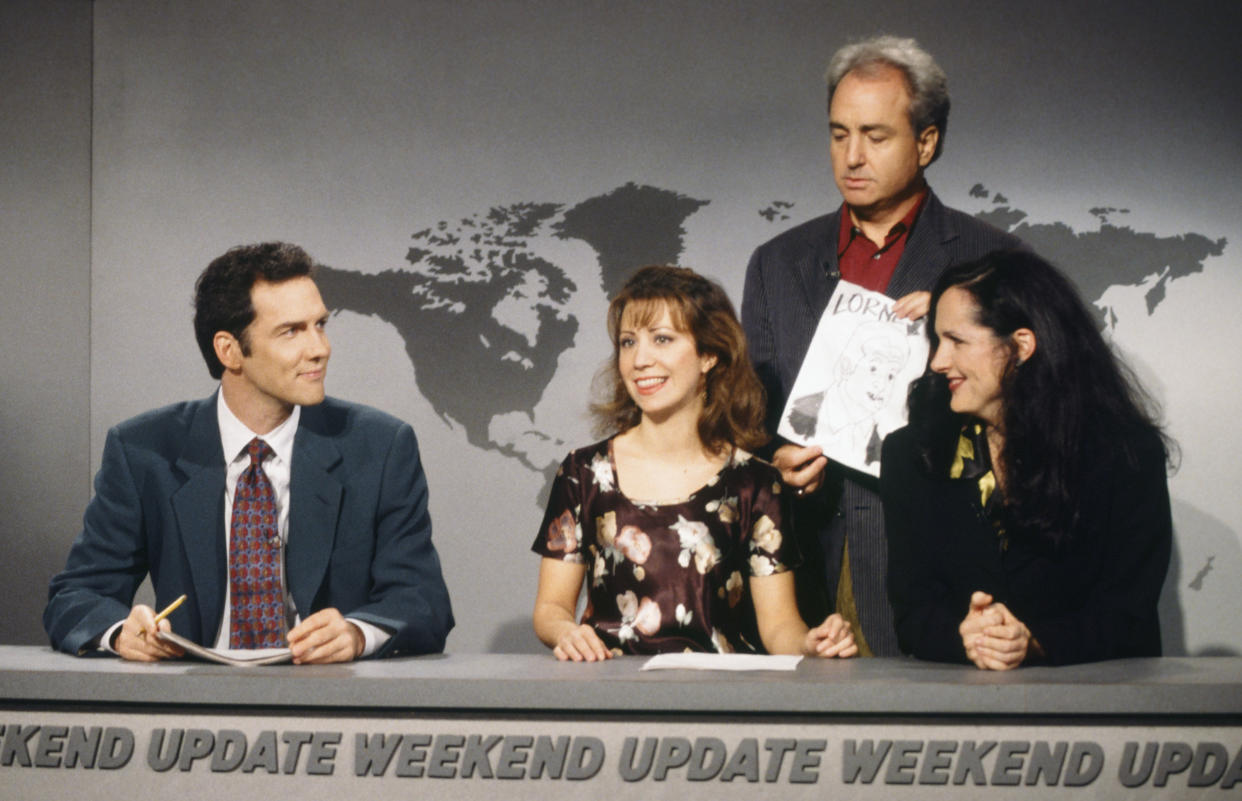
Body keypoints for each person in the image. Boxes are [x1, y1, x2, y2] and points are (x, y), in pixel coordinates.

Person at [741, 35, 1022, 656]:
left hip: (944, 580)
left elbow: (1036, 409)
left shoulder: (994, 262)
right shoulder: (776, 263)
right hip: (806, 571)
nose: (853, 156)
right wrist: (775, 464)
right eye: (839, 134)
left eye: (876, 135)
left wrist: (951, 331)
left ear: (927, 142)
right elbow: (749, 419)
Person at [44, 242, 454, 663]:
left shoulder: (380, 447)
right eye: (291, 331)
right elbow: (76, 596)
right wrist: (120, 634)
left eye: (320, 325)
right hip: (191, 706)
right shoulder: (145, 451)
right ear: (229, 350)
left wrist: (356, 633)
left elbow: (423, 601)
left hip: (327, 702)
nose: (320, 348)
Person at [531, 265, 857, 661]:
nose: (640, 360)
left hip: (720, 705)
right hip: (610, 695)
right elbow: (550, 609)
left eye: (662, 339)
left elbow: (780, 627)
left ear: (709, 355)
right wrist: (566, 632)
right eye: (629, 342)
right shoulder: (582, 473)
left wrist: (810, 644)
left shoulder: (755, 482)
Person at [880, 249, 1173, 668]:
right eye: (937, 340)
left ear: (1020, 346)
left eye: (957, 341)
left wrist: (1032, 642)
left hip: (1093, 709)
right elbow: (914, 614)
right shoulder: (910, 455)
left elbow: (1127, 615)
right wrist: (967, 638)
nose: (938, 362)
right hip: (962, 710)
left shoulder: (1127, 454)